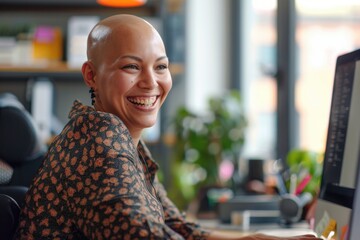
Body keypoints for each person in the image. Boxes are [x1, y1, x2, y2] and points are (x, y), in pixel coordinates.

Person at [15, 14, 321, 240]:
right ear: (91, 75)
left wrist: (259, 239)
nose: (151, 82)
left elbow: (180, 228)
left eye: (160, 66)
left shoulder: (126, 142)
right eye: (131, 66)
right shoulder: (98, 139)